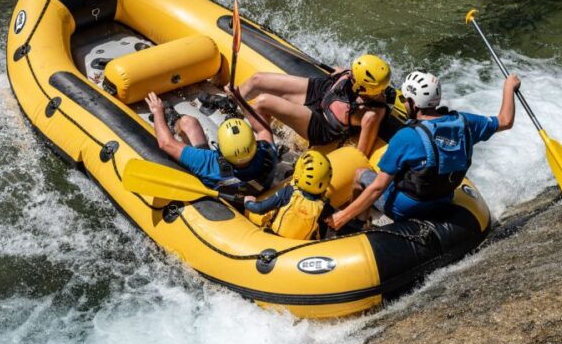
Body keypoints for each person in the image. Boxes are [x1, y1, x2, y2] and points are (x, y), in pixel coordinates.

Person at [327, 71, 521, 230]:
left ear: (414, 103)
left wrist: (341, 216)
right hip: (443, 199)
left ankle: (356, 224)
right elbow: (505, 121)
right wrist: (508, 86)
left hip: (407, 208)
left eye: (404, 98)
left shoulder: (407, 137)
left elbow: (377, 188)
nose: (402, 102)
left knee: (361, 175)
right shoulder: (465, 123)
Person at [236, 55, 391, 155]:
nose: (349, 73)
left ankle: (268, 153)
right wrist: (340, 72)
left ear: (362, 87)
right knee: (257, 79)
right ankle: (231, 102)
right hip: (324, 91)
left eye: (353, 75)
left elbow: (360, 155)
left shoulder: (371, 115)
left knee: (263, 102)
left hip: (321, 123)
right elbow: (344, 73)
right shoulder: (358, 81)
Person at [145, 91, 278, 195]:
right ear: (253, 144)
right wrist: (239, 99)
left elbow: (165, 143)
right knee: (188, 122)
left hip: (215, 181)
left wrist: (157, 111)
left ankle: (173, 122)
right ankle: (175, 121)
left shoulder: (208, 163)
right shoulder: (268, 154)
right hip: (248, 189)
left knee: (188, 122)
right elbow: (263, 130)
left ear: (220, 150)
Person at [244, 150, 334, 240]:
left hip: (275, 238)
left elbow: (260, 208)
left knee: (249, 212)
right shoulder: (324, 207)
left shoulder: (288, 192)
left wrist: (248, 203)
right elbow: (321, 234)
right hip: (296, 247)